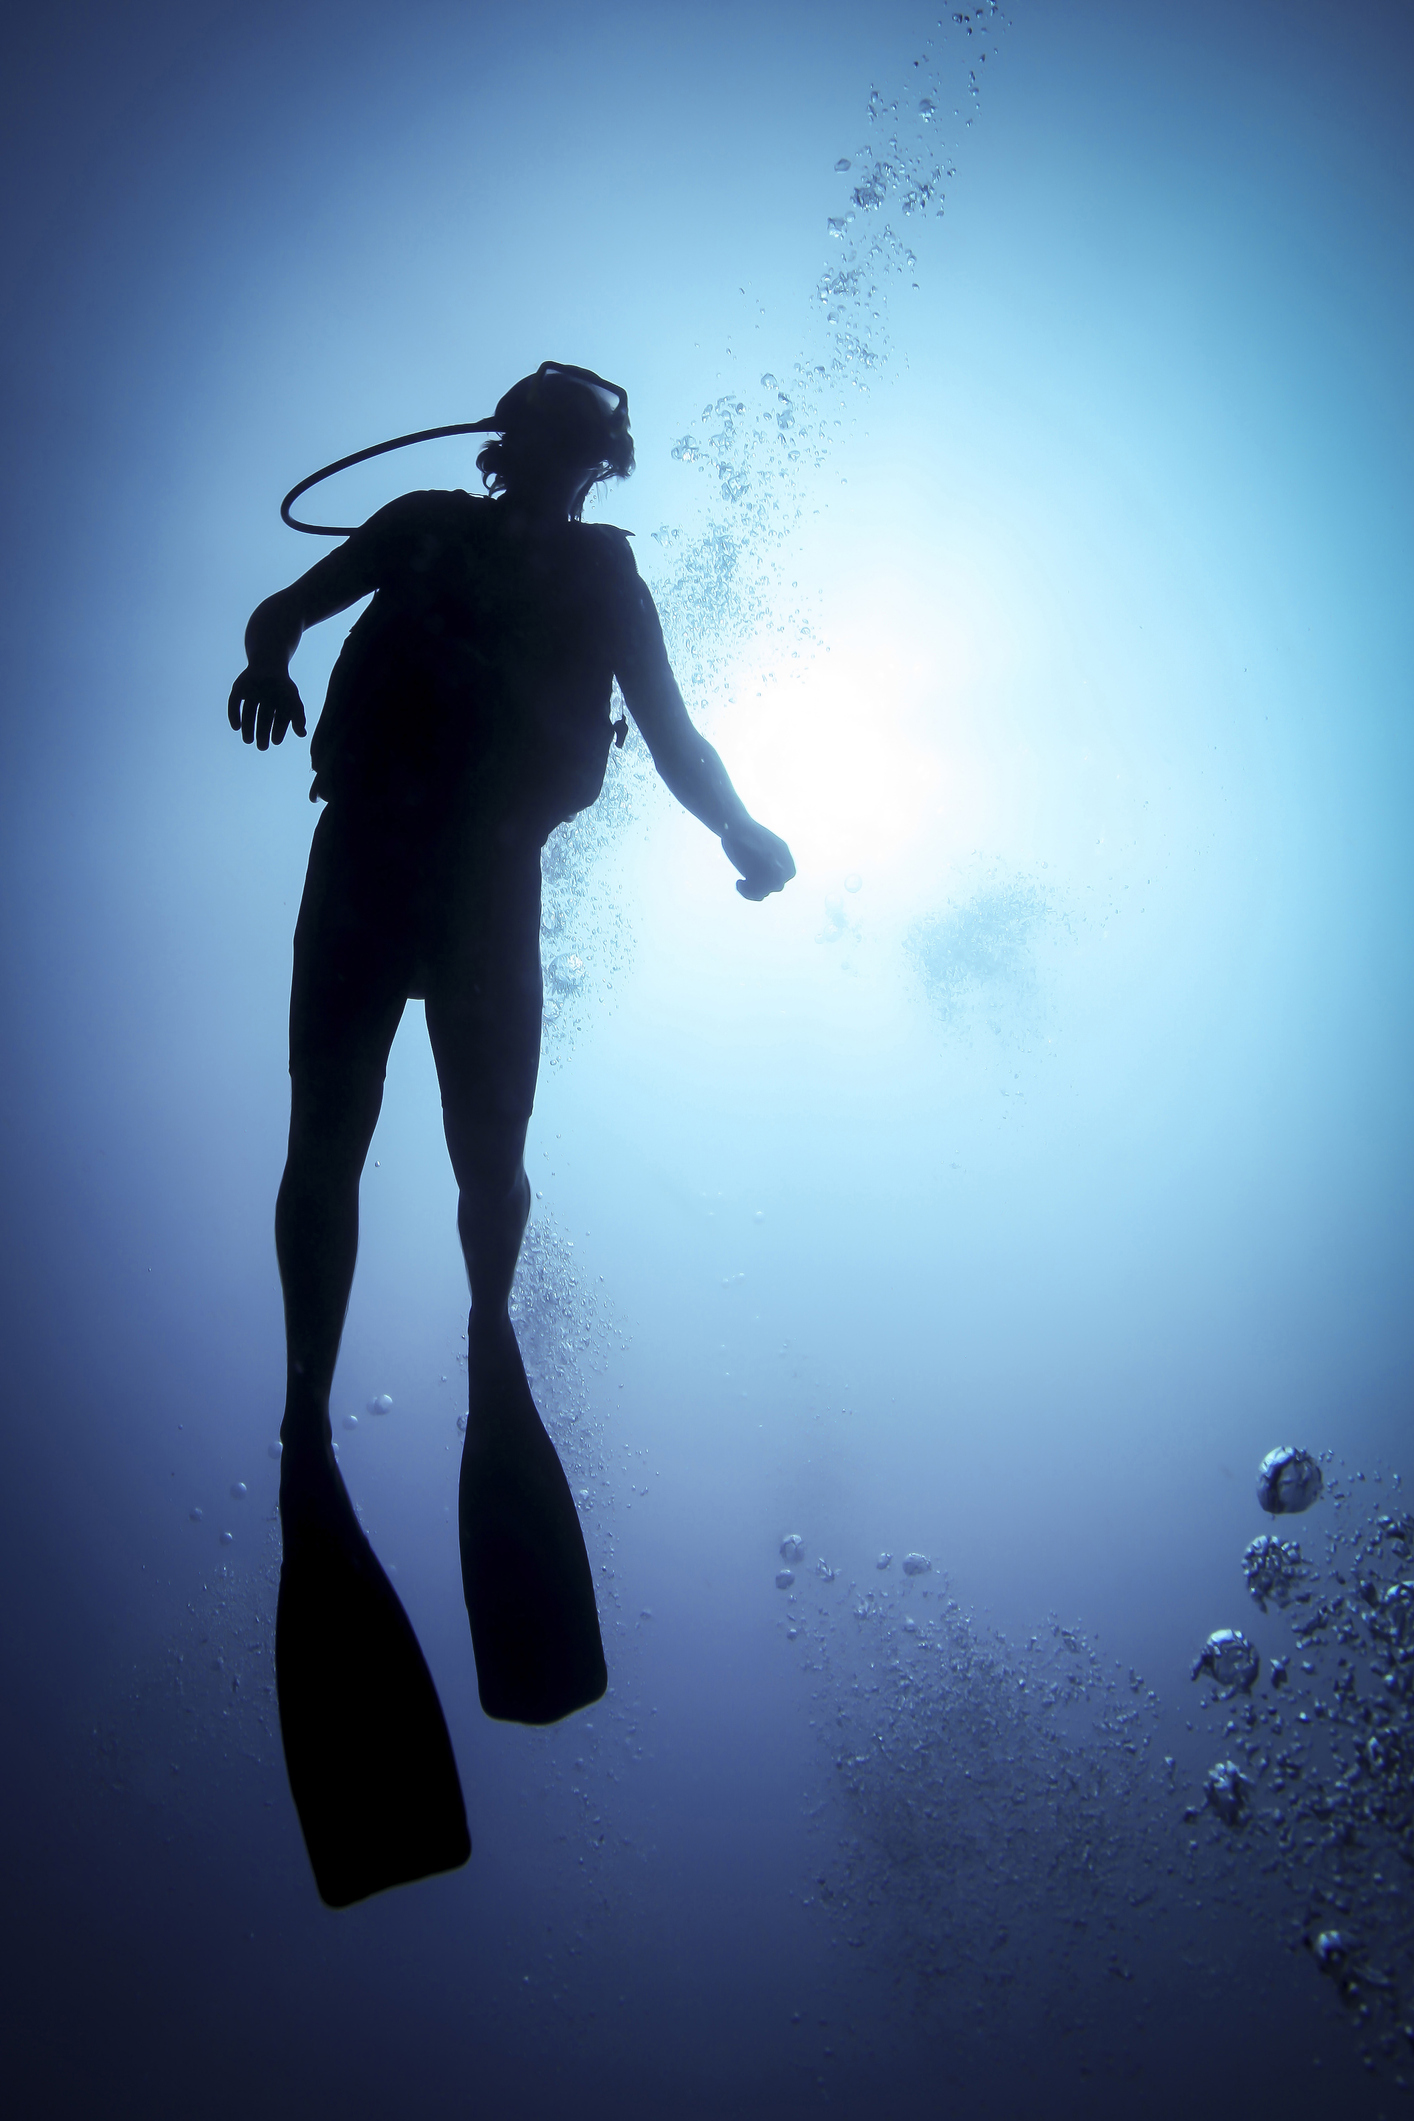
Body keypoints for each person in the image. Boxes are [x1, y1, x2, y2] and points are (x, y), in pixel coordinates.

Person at [228, 362, 795, 1905]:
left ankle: (487, 1331)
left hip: (487, 878)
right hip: (376, 854)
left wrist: (738, 821)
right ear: (518, 446)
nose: (566, 464)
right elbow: (285, 607)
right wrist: (270, 661)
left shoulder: (603, 577)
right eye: (552, 439)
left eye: (581, 446)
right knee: (329, 1134)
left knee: (485, 1158)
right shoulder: (417, 526)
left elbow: (671, 735)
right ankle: (309, 1412)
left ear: (592, 463)